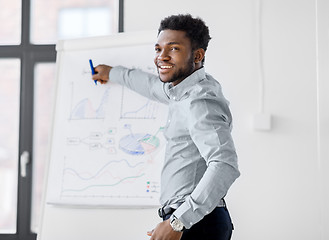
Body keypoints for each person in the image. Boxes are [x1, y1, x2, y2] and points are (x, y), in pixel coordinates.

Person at [92, 14, 240, 240]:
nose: (162, 56)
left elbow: (224, 164)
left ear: (198, 55)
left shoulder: (199, 102)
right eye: (158, 49)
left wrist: (178, 222)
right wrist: (111, 72)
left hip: (197, 222)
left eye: (174, 49)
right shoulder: (181, 92)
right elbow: (149, 85)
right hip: (190, 219)